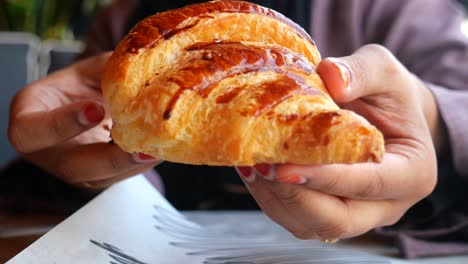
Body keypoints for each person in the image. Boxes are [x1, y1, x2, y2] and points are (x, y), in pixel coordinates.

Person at [4, 0, 468, 258]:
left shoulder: (400, 9)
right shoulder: (123, 23)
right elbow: (125, 157)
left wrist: (432, 119)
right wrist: (87, 166)